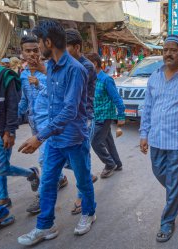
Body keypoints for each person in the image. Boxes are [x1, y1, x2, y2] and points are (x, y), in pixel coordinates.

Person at [17, 20, 96, 246]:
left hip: (73, 137)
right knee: (48, 183)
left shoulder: (76, 69)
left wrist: (40, 136)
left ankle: (89, 212)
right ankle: (45, 226)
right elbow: (53, 100)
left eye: (40, 42)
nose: (38, 47)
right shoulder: (50, 66)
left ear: (48, 42)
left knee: (82, 182)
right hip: (54, 138)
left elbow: (70, 109)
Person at [139, 35, 178, 242]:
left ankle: (167, 222)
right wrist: (143, 133)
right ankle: (177, 189)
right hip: (157, 138)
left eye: (173, 50)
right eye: (165, 50)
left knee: (173, 182)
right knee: (160, 173)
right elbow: (148, 108)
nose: (168, 53)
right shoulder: (154, 77)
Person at [0, 38, 40, 208]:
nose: (31, 54)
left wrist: (10, 130)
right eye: (27, 51)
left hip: (0, 130)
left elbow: (13, 105)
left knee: (1, 167)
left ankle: (30, 173)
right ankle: (3, 198)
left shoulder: (5, 76)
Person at [18, 35, 68, 214]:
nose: (32, 54)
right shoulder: (23, 75)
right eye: (27, 51)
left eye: (35, 50)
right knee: (55, 158)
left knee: (43, 159)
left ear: (40, 51)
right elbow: (24, 100)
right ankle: (61, 178)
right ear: (22, 53)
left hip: (49, 123)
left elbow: (58, 94)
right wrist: (13, 120)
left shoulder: (49, 70)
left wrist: (39, 83)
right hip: (34, 123)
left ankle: (42, 197)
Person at [65, 28, 98, 215]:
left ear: (77, 47)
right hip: (68, 120)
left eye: (65, 47)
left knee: (81, 158)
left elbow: (71, 94)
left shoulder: (85, 67)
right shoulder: (65, 63)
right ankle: (86, 177)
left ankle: (82, 197)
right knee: (66, 159)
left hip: (83, 118)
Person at [86, 53, 125, 178]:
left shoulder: (106, 79)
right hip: (95, 116)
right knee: (107, 140)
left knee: (95, 141)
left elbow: (117, 99)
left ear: (94, 64)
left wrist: (121, 116)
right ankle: (117, 163)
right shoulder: (90, 79)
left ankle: (109, 164)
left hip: (105, 116)